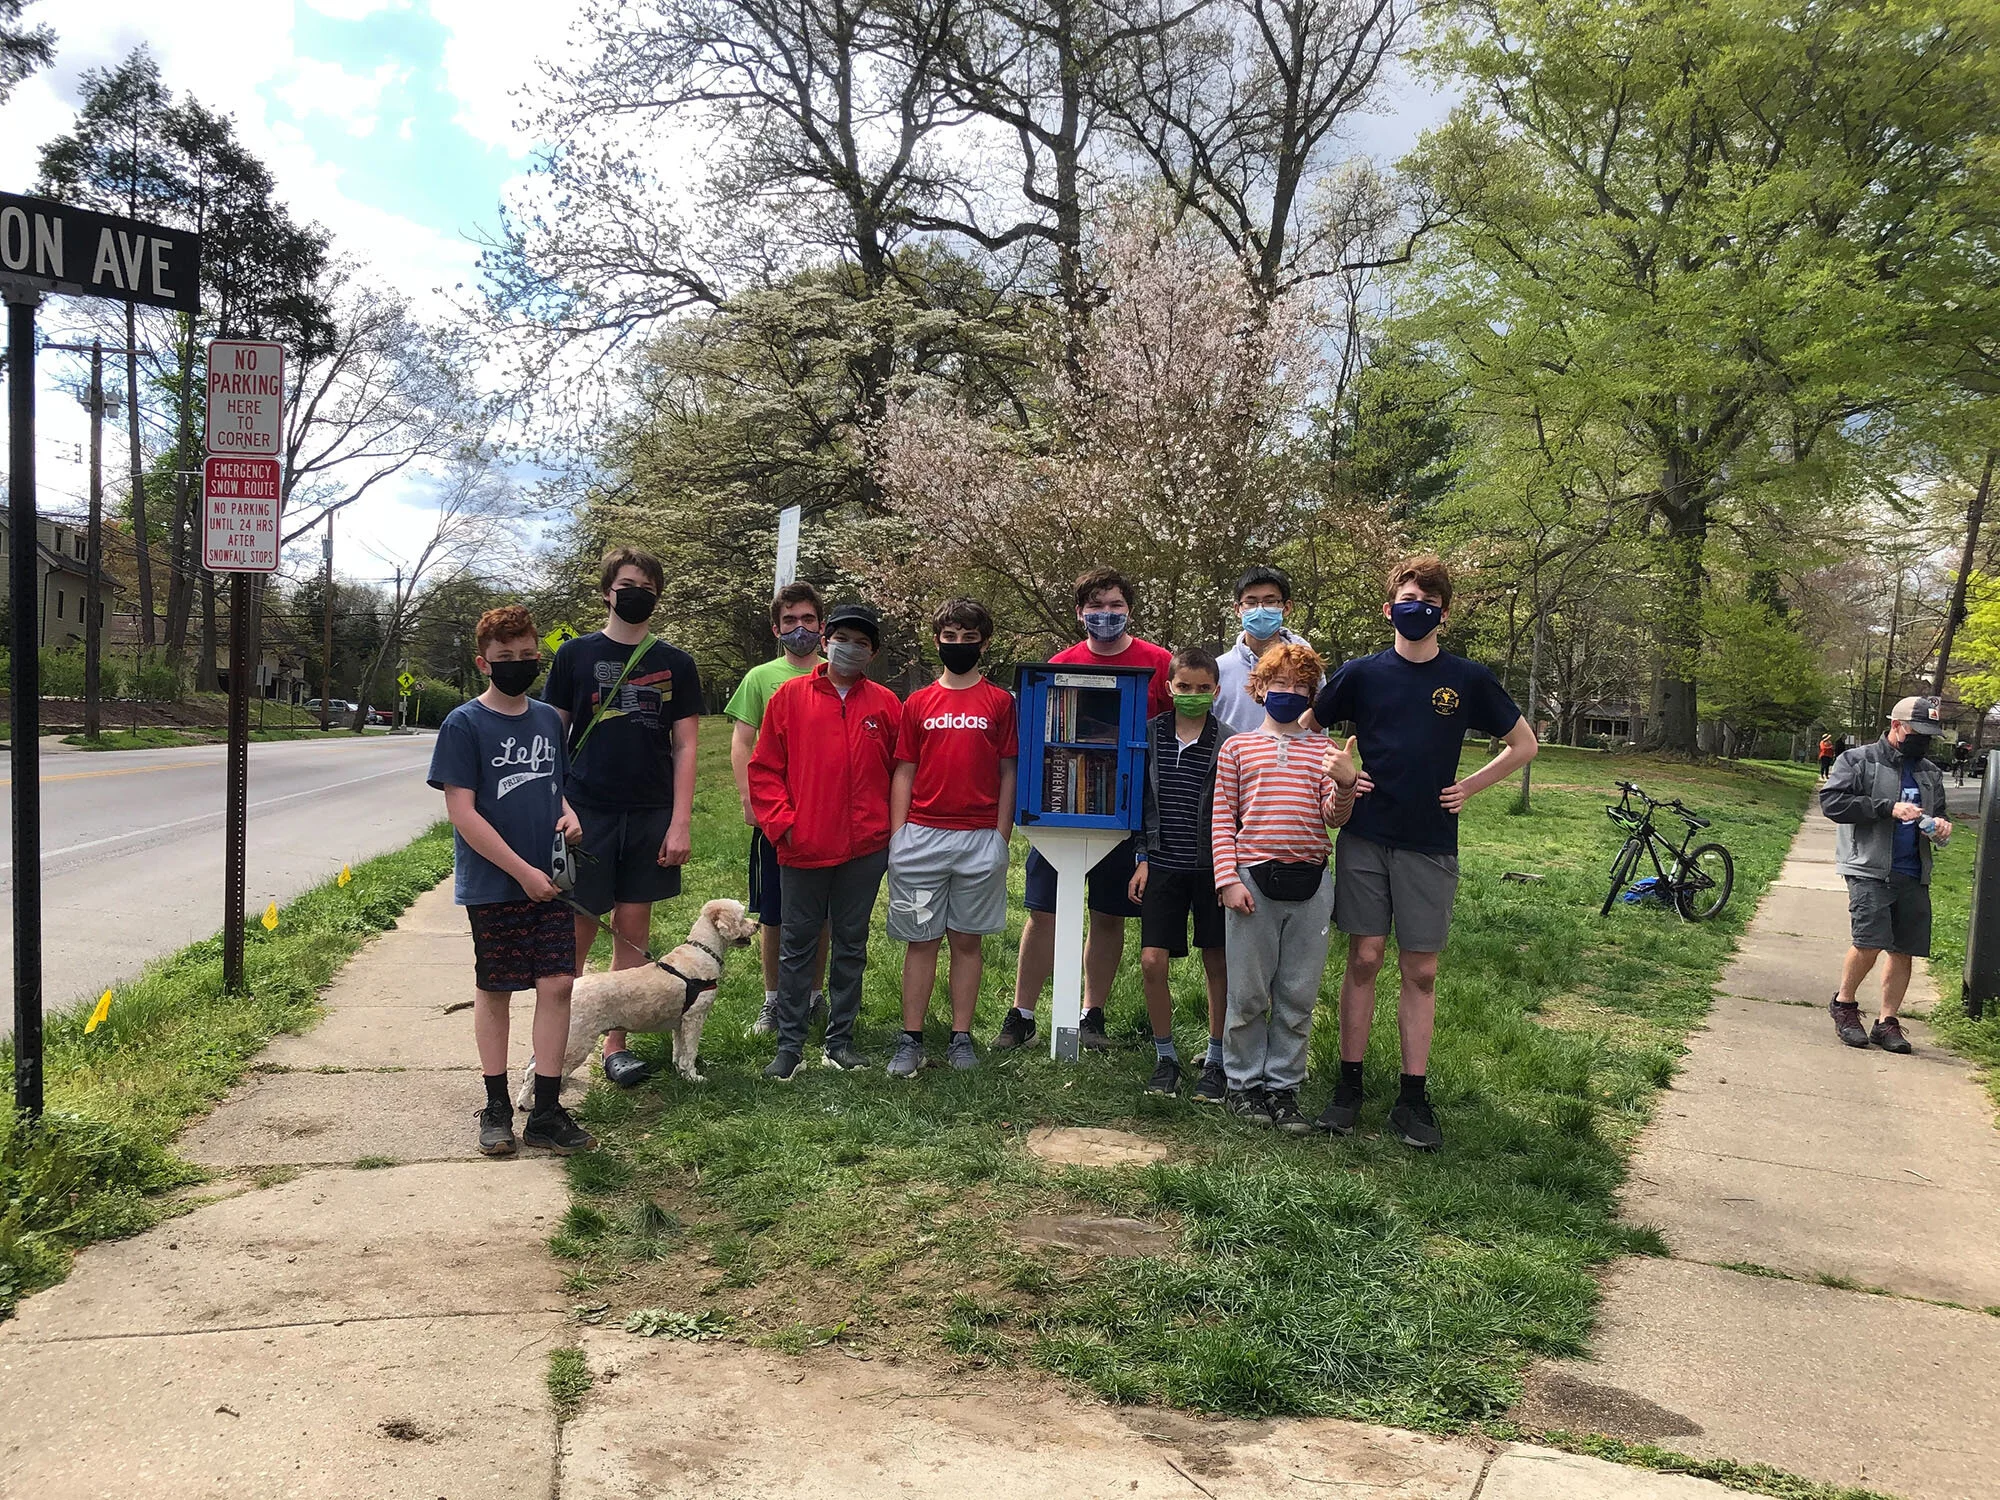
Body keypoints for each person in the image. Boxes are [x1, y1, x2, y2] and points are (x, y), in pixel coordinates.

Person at [1301, 553, 1537, 1150]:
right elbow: (1308, 723)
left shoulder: (1468, 679)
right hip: (1366, 835)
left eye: (1428, 604)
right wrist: (1343, 772)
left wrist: (1470, 788)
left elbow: (1523, 743)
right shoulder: (1361, 673)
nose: (1417, 611)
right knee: (1364, 957)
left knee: (1422, 969)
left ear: (1444, 614)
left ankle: (1412, 1097)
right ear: (1388, 609)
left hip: (1431, 841)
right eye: (1406, 601)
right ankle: (1347, 1087)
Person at [428, 605, 594, 1158]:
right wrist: (520, 872)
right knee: (495, 989)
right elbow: (463, 812)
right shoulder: (464, 724)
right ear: (484, 663)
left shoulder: (549, 719)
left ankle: (545, 1108)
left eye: (528, 656)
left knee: (557, 984)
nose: (519, 665)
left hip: (550, 881)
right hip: (496, 884)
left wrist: (569, 814)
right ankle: (497, 1104)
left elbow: (554, 787)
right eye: (506, 659)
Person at [991, 567, 1175, 1053]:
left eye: (1115, 605)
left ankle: (1092, 1014)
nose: (1106, 615)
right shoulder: (1061, 663)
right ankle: (1022, 1013)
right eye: (1096, 606)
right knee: (1043, 910)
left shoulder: (1158, 662)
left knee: (1108, 914)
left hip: (1125, 808)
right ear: (1080, 613)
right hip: (1063, 804)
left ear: (1129, 609)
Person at [542, 546, 703, 1087]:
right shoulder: (575, 656)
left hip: (650, 812)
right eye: (627, 583)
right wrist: (558, 805)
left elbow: (685, 747)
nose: (637, 593)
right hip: (586, 812)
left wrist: (680, 822)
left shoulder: (677, 663)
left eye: (647, 586)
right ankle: (556, 1043)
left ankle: (615, 1044)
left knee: (632, 934)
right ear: (608, 590)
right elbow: (551, 737)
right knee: (577, 932)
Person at [748, 601, 902, 1080]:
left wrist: (890, 833)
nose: (849, 648)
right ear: (825, 641)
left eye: (861, 642)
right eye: (842, 638)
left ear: (872, 652)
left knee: (852, 943)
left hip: (865, 848)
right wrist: (783, 823)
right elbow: (764, 768)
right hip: (804, 846)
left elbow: (901, 772)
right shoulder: (789, 698)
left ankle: (841, 1040)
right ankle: (789, 1045)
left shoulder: (886, 704)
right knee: (798, 944)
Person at [1211, 641, 1358, 1133]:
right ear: (1259, 688)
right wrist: (1227, 880)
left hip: (1312, 884)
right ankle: (1243, 1083)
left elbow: (1332, 820)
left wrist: (1345, 785)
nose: (1289, 693)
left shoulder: (1325, 751)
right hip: (1251, 883)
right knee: (1249, 993)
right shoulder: (1237, 748)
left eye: (1301, 686)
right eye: (1280, 684)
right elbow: (1221, 820)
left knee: (1298, 993)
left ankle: (1283, 1087)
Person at [886, 599, 1019, 1078]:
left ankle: (962, 1037)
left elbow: (1009, 771)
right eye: (949, 637)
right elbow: (905, 768)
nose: (958, 645)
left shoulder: (1000, 702)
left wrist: (1000, 837)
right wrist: (898, 835)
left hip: (979, 839)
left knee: (966, 940)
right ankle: (911, 1037)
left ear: (983, 643)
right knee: (921, 941)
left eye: (968, 638)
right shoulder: (917, 702)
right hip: (920, 837)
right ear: (937, 639)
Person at [1128, 646, 1237, 1101]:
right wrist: (1142, 857)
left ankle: (1216, 1059)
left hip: (1212, 869)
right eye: (1184, 687)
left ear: (1216, 690)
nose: (1193, 694)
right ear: (1168, 687)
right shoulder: (1148, 735)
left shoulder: (1229, 740)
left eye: (1202, 688)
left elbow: (1237, 810)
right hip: (1162, 865)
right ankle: (1166, 1057)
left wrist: (1228, 871)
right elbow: (1137, 801)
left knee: (1218, 962)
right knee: (1152, 962)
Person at [725, 582, 831, 1035]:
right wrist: (751, 802)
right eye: (790, 621)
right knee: (775, 912)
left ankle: (813, 994)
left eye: (808, 619)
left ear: (822, 626)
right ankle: (773, 1000)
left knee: (822, 911)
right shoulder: (760, 678)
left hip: (826, 814)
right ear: (776, 628)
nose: (800, 628)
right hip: (777, 815)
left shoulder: (837, 673)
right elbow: (741, 742)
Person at [1820, 696, 1951, 1056]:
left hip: (1913, 869)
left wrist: (1938, 828)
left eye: (1929, 735)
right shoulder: (1858, 760)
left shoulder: (1929, 772)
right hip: (1869, 867)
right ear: (1896, 726)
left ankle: (1886, 1021)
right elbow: (1832, 803)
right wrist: (1886, 808)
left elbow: (1937, 814)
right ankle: (1844, 1005)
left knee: (1904, 947)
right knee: (1870, 940)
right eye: (1917, 732)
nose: (1922, 741)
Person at [1215, 565, 1317, 735]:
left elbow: (1319, 724)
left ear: (1286, 607)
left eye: (1270, 602)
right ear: (1237, 609)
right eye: (1251, 602)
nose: (1260, 609)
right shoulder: (1219, 669)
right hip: (1230, 760)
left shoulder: (1306, 666)